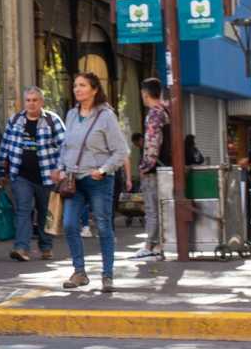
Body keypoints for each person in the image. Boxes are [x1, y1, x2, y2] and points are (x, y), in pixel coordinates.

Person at [53, 72, 130, 293]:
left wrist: (103, 170)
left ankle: (107, 275)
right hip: (73, 180)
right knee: (68, 224)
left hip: (98, 181)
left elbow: (121, 151)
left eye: (83, 85)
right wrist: (59, 167)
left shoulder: (106, 116)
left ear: (94, 90)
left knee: (104, 225)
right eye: (75, 85)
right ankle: (79, 272)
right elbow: (66, 147)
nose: (77, 89)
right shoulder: (70, 115)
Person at [0, 86, 64, 262]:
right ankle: (21, 248)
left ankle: (46, 246)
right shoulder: (15, 120)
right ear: (24, 102)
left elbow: (65, 147)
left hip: (47, 175)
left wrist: (61, 169)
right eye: (28, 100)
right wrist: (1, 171)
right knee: (23, 210)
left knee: (44, 212)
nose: (31, 103)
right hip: (21, 175)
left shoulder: (52, 120)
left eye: (35, 100)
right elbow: (5, 146)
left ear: (41, 102)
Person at [130, 77, 167, 261]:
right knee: (162, 208)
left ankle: (150, 245)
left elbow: (152, 142)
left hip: (154, 169)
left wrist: (145, 166)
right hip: (165, 168)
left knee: (152, 208)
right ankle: (159, 244)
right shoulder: (166, 110)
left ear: (145, 94)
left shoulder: (154, 113)